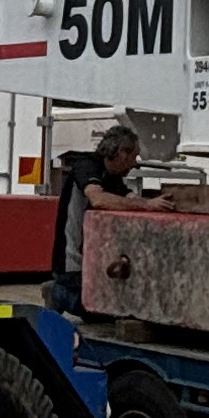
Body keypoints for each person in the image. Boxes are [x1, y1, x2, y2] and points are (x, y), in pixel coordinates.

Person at [48, 120, 145, 313]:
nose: (135, 163)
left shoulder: (112, 177)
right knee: (96, 311)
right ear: (121, 153)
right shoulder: (87, 166)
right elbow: (98, 199)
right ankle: (57, 293)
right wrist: (146, 204)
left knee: (112, 306)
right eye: (133, 156)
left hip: (92, 260)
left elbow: (128, 196)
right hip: (71, 264)